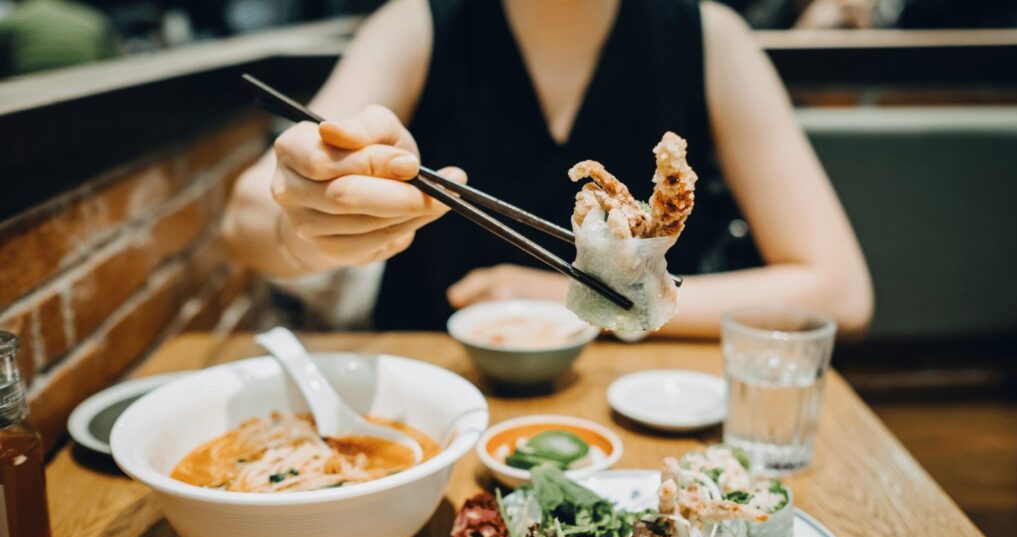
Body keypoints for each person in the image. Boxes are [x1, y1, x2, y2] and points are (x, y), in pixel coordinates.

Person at [224, 0, 874, 338]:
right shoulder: (418, 25)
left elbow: (841, 292)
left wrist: (576, 301)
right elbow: (249, 216)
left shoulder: (710, 38)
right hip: (436, 411)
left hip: (642, 416)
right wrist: (302, 223)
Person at [0, 0, 119, 78]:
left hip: (33, 100)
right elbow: (116, 62)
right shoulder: (91, 18)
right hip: (89, 93)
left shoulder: (10, 22)